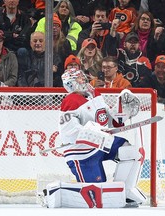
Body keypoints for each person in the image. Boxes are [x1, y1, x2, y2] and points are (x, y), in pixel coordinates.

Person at [57, 68, 146, 207]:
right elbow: (70, 131)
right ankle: (63, 192)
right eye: (78, 78)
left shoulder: (94, 94)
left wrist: (120, 115)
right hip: (82, 154)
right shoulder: (70, 100)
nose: (83, 80)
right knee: (99, 196)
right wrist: (95, 132)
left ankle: (126, 191)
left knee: (132, 152)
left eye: (82, 77)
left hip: (102, 144)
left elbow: (105, 120)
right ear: (71, 84)